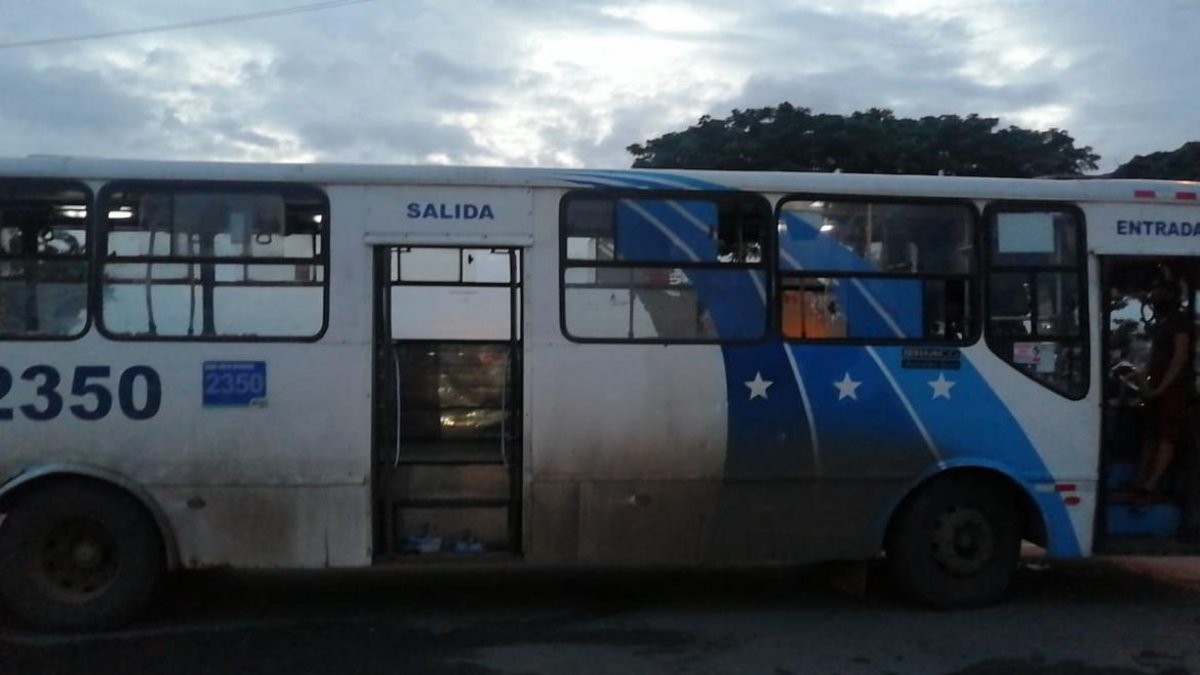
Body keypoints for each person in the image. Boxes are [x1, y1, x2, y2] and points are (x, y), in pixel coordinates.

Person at [1131, 280, 1191, 503]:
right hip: (1156, 385)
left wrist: (1162, 387)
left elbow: (1180, 357)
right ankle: (1140, 478)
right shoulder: (1163, 322)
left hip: (1170, 388)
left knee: (1166, 436)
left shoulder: (1179, 323)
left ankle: (1150, 484)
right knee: (1151, 435)